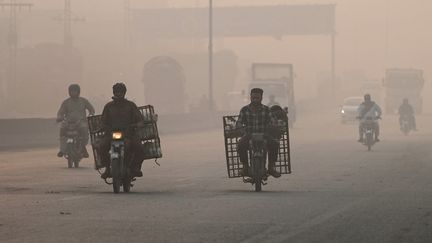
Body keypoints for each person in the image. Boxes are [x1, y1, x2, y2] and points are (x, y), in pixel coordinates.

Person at [99, 82, 146, 179]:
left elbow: (140, 119)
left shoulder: (131, 105)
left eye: (121, 92)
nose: (119, 94)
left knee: (140, 148)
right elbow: (103, 121)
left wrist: (138, 124)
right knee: (101, 147)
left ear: (124, 93)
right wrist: (103, 126)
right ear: (114, 92)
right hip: (111, 134)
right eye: (117, 92)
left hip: (129, 134)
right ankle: (107, 168)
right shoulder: (108, 106)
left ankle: (135, 168)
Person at [236, 88, 281, 178]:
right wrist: (239, 128)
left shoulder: (267, 109)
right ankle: (245, 167)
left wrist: (275, 126)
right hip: (249, 135)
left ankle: (271, 167)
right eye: (254, 97)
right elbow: (239, 122)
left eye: (257, 97)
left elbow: (273, 121)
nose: (255, 99)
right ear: (250, 97)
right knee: (240, 144)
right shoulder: (244, 110)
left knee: (275, 144)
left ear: (261, 98)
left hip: (264, 134)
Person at [56, 84, 95, 158]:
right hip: (68, 123)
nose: (73, 93)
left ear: (78, 92)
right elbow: (61, 112)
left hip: (81, 122)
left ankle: (83, 148)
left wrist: (91, 114)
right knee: (62, 130)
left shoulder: (83, 101)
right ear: (69, 92)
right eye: (72, 91)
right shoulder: (66, 102)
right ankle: (62, 149)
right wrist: (59, 117)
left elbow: (91, 109)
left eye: (75, 91)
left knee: (84, 130)